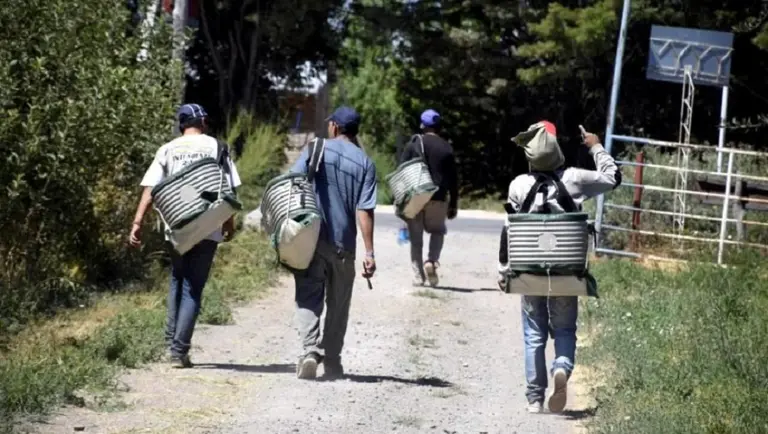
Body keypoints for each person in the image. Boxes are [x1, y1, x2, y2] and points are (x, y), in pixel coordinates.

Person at [499, 121, 620, 414]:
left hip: (529, 273)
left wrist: (504, 270)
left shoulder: (518, 184)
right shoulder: (575, 178)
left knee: (533, 333)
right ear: (557, 150)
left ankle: (534, 399)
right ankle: (562, 367)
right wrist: (595, 146)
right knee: (564, 328)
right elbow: (613, 177)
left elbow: (508, 233)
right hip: (567, 272)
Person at [129, 103, 242, 368]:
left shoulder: (167, 149)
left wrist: (137, 223)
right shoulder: (217, 147)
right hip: (207, 225)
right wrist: (229, 224)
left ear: (182, 124)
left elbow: (150, 190)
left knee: (177, 280)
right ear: (202, 122)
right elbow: (227, 190)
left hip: (176, 226)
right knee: (193, 286)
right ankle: (179, 351)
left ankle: (172, 342)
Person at [289, 105, 378, 380]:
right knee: (338, 305)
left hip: (311, 239)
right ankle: (334, 362)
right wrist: (370, 252)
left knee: (308, 295)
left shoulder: (316, 149)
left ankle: (310, 352)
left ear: (335, 127)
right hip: (344, 245)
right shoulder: (365, 163)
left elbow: (293, 182)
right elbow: (364, 210)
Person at [398, 109, 459, 287]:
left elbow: (402, 171)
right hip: (438, 197)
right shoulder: (446, 148)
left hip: (415, 196)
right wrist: (453, 203)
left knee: (416, 239)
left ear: (422, 126)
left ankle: (418, 276)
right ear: (439, 126)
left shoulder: (414, 144)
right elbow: (453, 179)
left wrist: (400, 199)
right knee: (437, 231)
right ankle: (431, 261)